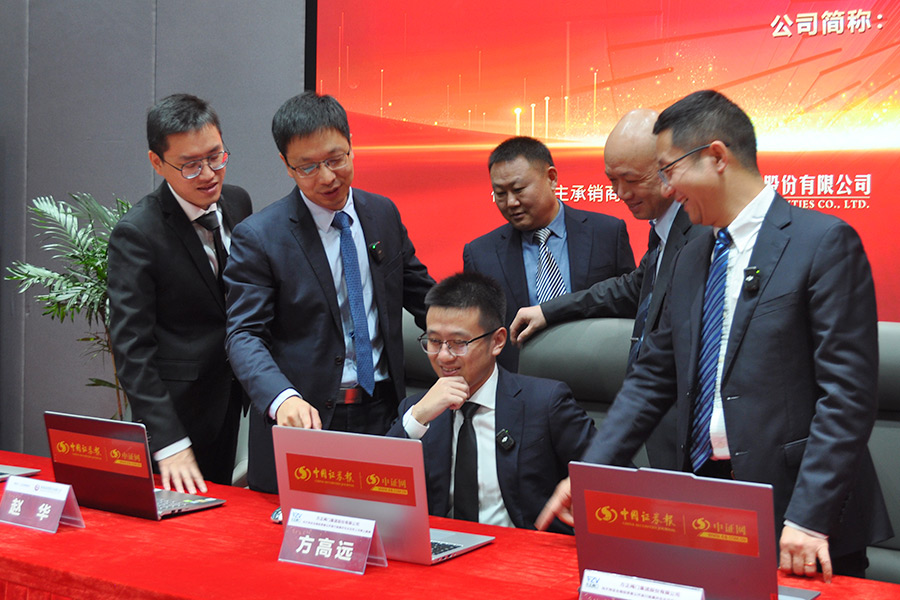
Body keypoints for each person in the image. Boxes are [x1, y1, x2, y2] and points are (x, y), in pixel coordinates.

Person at [536, 90, 892, 582]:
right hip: (707, 502)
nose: (666, 187)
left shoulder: (822, 243)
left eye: (669, 169)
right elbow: (653, 377)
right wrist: (592, 473)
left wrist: (809, 517)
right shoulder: (690, 252)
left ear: (717, 157)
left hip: (802, 514)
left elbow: (847, 397)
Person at [224, 92, 435, 494]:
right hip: (305, 420)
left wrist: (474, 334)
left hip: (382, 412)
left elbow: (423, 296)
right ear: (286, 165)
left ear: (351, 146)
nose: (327, 177)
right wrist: (282, 399)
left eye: (336, 159)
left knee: (386, 523)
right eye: (308, 167)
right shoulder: (261, 237)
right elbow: (244, 335)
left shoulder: (382, 214)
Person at [508, 109, 710, 470]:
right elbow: (631, 287)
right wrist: (549, 311)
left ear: (668, 167)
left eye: (631, 179)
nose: (620, 193)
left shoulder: (701, 233)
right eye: (612, 180)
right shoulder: (664, 230)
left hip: (693, 427)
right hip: (655, 420)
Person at [108, 93, 253, 494]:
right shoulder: (138, 234)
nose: (208, 174)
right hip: (178, 415)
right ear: (157, 162)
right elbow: (132, 349)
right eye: (190, 165)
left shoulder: (237, 202)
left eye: (216, 156)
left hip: (231, 403)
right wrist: (168, 440)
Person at [387, 272, 596, 534]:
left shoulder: (545, 403)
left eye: (458, 343)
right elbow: (376, 490)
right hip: (442, 549)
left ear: (497, 341)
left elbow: (610, 473)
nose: (443, 356)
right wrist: (416, 418)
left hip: (525, 551)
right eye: (434, 341)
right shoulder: (417, 410)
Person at [463, 136, 635, 371]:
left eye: (519, 189)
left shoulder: (607, 233)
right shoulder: (481, 254)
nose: (511, 202)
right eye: (500, 193)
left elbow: (629, 303)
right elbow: (478, 335)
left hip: (597, 375)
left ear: (551, 178)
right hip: (521, 382)